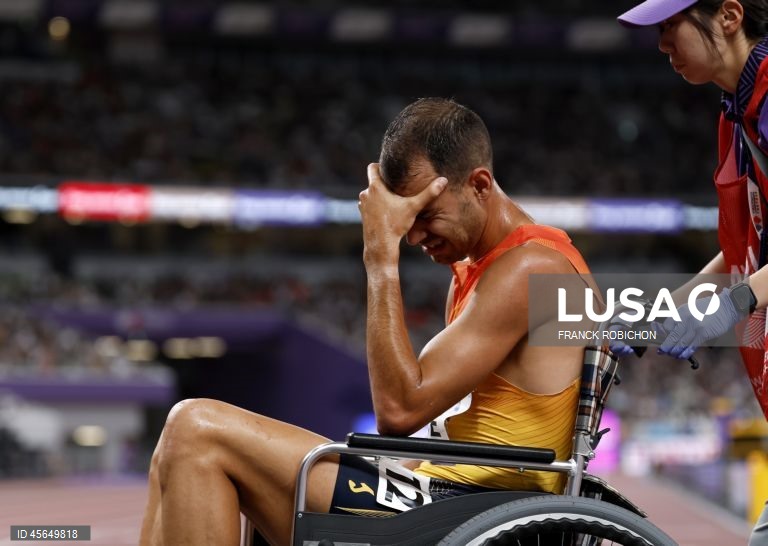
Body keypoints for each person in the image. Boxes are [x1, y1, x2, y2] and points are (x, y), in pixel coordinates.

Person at [139, 97, 601, 545]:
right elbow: (444, 426)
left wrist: (380, 255)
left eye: (426, 215)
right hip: (447, 496)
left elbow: (399, 412)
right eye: (403, 218)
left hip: (477, 514)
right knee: (177, 444)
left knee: (195, 429)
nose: (413, 235)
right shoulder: (482, 270)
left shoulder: (530, 269)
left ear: (479, 185)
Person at [616, 1, 768, 543]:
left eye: (669, 26)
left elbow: (745, 279)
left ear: (729, 16)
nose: (662, 45)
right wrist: (656, 311)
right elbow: (741, 249)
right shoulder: (736, 114)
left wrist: (738, 302)